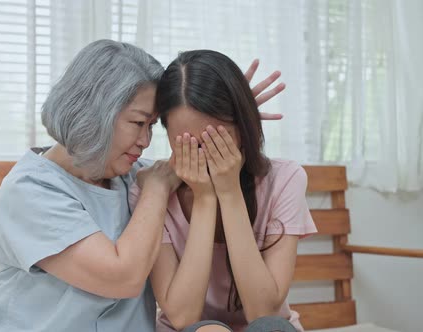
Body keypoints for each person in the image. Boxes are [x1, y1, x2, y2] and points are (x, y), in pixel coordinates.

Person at [0, 40, 285, 332]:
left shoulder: (130, 174)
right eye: (137, 123)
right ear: (95, 114)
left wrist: (231, 114)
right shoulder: (31, 191)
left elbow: (195, 155)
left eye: (151, 125)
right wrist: (157, 190)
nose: (145, 141)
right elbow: (123, 277)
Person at [129, 50, 317, 332]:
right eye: (187, 143)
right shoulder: (153, 190)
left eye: (216, 140)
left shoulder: (285, 179)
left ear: (242, 128)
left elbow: (263, 313)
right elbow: (183, 317)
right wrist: (205, 198)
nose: (203, 154)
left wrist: (229, 194)